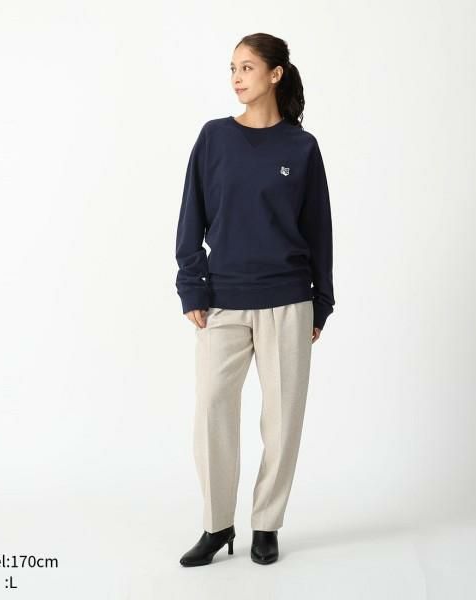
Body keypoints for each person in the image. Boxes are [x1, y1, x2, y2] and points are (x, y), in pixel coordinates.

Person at [176, 32, 335, 567]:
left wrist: (321, 301)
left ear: (275, 74)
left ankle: (266, 524)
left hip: (288, 300)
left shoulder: (301, 147)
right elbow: (191, 216)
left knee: (283, 420)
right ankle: (217, 524)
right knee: (211, 412)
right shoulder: (214, 138)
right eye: (232, 68)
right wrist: (192, 285)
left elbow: (318, 230)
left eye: (247, 67)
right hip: (222, 299)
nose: (236, 77)